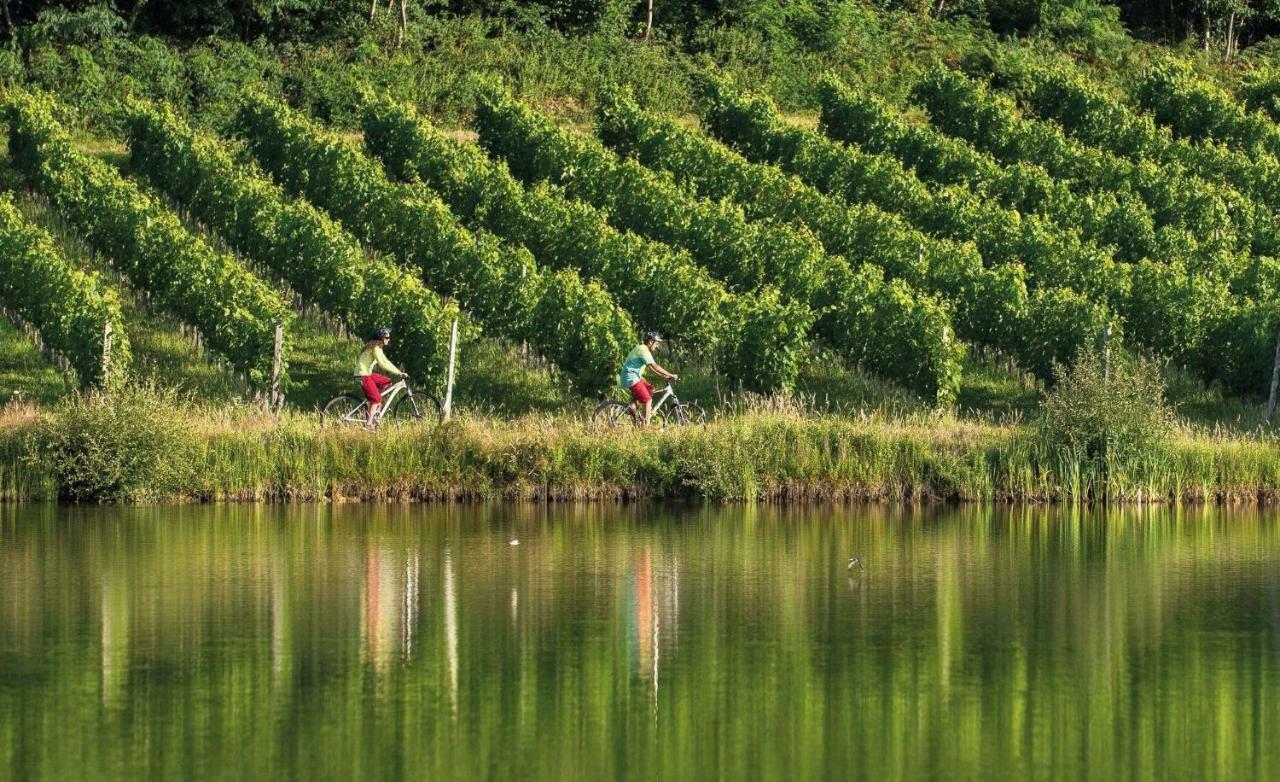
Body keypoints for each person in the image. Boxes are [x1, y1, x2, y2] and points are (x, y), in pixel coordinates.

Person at [620, 331, 678, 429]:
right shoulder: (644, 350)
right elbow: (655, 366)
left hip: (633, 376)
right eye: (656, 343)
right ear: (650, 342)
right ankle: (645, 427)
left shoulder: (642, 348)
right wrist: (671, 374)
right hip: (631, 377)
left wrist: (663, 375)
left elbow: (651, 367)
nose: (657, 346)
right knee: (648, 400)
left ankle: (634, 408)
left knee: (650, 389)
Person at [355, 327, 408, 429]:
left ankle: (375, 408)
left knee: (387, 382)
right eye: (387, 337)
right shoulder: (375, 348)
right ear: (381, 338)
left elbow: (386, 361)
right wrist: (398, 373)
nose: (389, 339)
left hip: (366, 374)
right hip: (361, 376)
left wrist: (399, 372)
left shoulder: (377, 348)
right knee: (376, 399)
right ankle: (369, 425)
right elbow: (382, 364)